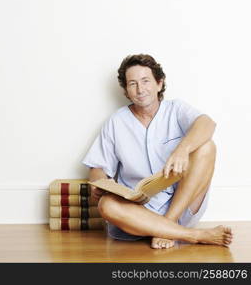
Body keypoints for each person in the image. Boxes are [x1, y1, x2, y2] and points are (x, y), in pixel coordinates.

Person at [82, 54, 233, 249]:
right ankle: (194, 236)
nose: (140, 89)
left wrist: (182, 150)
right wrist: (99, 183)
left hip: (181, 205)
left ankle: (168, 225)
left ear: (159, 84)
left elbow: (207, 124)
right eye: (132, 84)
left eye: (146, 81)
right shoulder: (116, 122)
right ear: (126, 91)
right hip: (137, 211)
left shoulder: (176, 109)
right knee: (106, 205)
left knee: (207, 146)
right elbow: (97, 167)